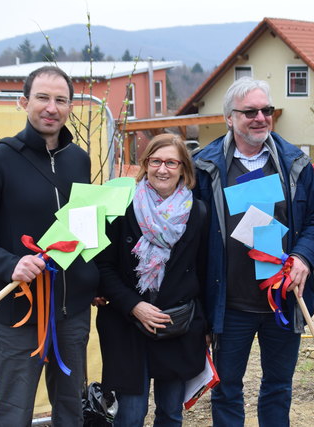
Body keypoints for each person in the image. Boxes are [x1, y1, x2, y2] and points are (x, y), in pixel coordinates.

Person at [0, 66, 99, 426]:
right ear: (23, 102)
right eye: (43, 98)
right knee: (14, 414)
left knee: (71, 411)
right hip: (19, 313)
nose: (52, 107)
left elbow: (84, 226)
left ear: (70, 107)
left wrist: (93, 281)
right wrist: (9, 264)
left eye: (61, 100)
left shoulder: (79, 159)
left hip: (72, 313)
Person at [192, 77, 314, 426]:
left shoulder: (295, 162)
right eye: (249, 111)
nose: (260, 118)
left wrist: (303, 257)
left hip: (283, 301)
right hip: (230, 304)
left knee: (278, 387)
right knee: (226, 389)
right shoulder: (204, 167)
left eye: (266, 110)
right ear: (229, 118)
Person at [95, 134, 209, 426]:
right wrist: (135, 306)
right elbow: (104, 268)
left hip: (175, 325)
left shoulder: (197, 212)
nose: (163, 169)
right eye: (155, 161)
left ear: (184, 168)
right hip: (127, 323)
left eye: (172, 162)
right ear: (145, 165)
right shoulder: (122, 207)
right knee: (131, 415)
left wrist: (207, 327)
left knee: (170, 413)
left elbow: (205, 270)